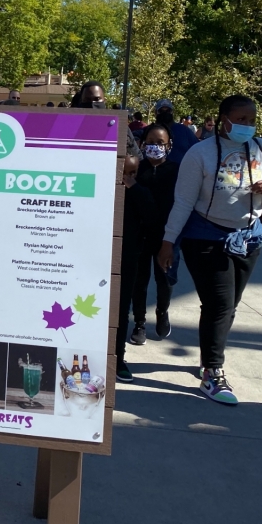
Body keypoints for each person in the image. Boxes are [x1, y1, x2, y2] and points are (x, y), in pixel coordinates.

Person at [159, 95, 262, 404]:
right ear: (223, 119)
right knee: (219, 303)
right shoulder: (200, 153)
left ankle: (209, 357)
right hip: (206, 237)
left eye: (251, 119)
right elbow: (183, 201)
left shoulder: (260, 149)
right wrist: (168, 241)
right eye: (241, 119)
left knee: (229, 305)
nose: (247, 125)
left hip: (250, 237)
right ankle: (213, 374)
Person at [129, 124, 179, 345]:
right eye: (150, 142)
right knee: (139, 282)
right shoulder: (137, 170)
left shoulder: (177, 171)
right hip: (140, 235)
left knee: (164, 280)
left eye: (160, 142)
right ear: (142, 143)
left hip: (166, 236)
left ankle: (162, 312)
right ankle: (139, 323)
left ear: (169, 145)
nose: (155, 146)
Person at [116, 155, 158, 381]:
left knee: (122, 310)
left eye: (132, 173)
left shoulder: (139, 193)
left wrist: (134, 188)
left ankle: (118, 358)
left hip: (128, 256)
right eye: (123, 174)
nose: (127, 179)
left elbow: (152, 217)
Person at [154, 99, 198, 164]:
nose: (165, 113)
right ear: (155, 113)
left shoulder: (184, 131)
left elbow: (198, 150)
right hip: (155, 172)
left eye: (168, 111)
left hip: (180, 172)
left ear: (172, 112)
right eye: (161, 111)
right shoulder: (149, 132)